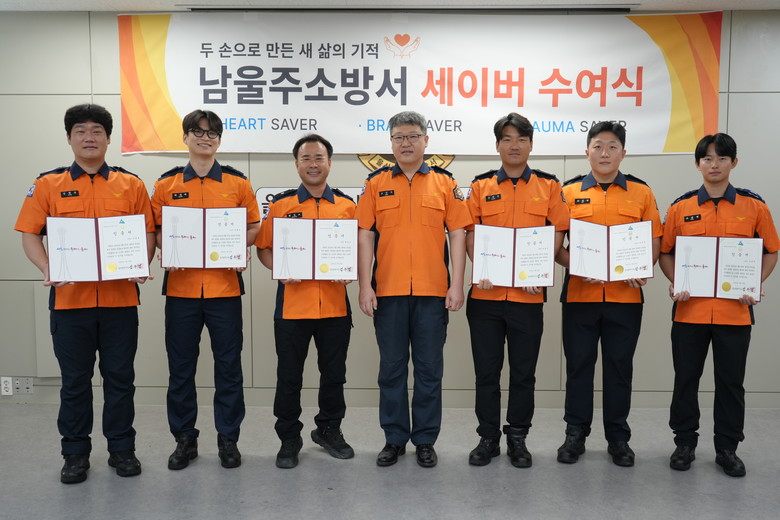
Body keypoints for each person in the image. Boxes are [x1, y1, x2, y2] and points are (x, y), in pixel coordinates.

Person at [14, 104, 156, 483]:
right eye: (80, 130)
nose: (89, 137)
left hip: (119, 302)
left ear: (108, 139)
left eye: (96, 131)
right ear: (69, 138)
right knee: (75, 382)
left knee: (120, 379)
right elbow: (30, 234)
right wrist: (47, 267)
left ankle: (122, 449)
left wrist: (140, 262)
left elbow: (147, 233)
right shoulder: (48, 184)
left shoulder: (131, 184)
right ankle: (75, 454)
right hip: (69, 303)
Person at [355, 111, 472, 468]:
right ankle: (394, 439)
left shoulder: (444, 183)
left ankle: (424, 439)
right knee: (391, 370)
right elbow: (365, 235)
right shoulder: (375, 184)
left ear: (426, 140)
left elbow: (458, 234)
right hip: (388, 293)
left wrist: (457, 284)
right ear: (390, 143)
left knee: (429, 371)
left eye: (413, 136)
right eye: (399, 137)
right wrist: (365, 286)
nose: (406, 143)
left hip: (432, 293)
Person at [659, 133, 778, 477]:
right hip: (690, 311)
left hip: (734, 313)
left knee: (730, 382)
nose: (715, 165)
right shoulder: (681, 208)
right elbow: (665, 252)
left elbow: (771, 250)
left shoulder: (754, 206)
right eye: (707, 158)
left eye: (722, 158)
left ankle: (727, 448)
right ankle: (684, 443)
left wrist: (754, 283)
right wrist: (676, 281)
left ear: (733, 163)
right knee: (686, 379)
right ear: (698, 164)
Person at [150, 109, 261, 470]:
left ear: (219, 140)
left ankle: (228, 438)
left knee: (228, 368)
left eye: (212, 133)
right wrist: (168, 248)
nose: (204, 138)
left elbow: (254, 226)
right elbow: (155, 230)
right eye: (197, 132)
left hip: (224, 291)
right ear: (185, 137)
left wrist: (237, 246)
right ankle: (185, 439)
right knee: (181, 368)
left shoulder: (237, 183)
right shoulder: (166, 185)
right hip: (181, 291)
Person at [465, 113, 569, 468]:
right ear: (497, 145)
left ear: (531, 145)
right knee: (486, 373)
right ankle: (488, 438)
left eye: (521, 139)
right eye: (507, 139)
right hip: (486, 297)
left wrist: (539, 269)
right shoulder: (480, 186)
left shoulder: (549, 186)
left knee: (524, 373)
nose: (514, 145)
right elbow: (470, 233)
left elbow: (557, 230)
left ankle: (518, 438)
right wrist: (482, 267)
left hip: (528, 297)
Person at [556, 121, 663, 467]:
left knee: (619, 368)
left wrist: (642, 267)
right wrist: (576, 265)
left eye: (613, 146)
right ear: (587, 151)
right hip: (580, 296)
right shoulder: (568, 192)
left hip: (625, 299)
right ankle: (575, 434)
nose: (605, 153)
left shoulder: (641, 192)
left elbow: (655, 239)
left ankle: (618, 438)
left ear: (623, 153)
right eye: (598, 146)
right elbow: (556, 246)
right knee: (579, 367)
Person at [256, 134, 356, 469]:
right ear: (296, 164)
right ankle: (289, 437)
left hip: (335, 307)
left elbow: (357, 250)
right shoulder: (282, 206)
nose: (313, 164)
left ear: (330, 162)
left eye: (319, 158)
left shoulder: (347, 206)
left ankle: (329, 429)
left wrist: (350, 271)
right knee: (289, 377)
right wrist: (280, 270)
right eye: (306, 158)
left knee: (334, 375)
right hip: (292, 307)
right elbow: (264, 248)